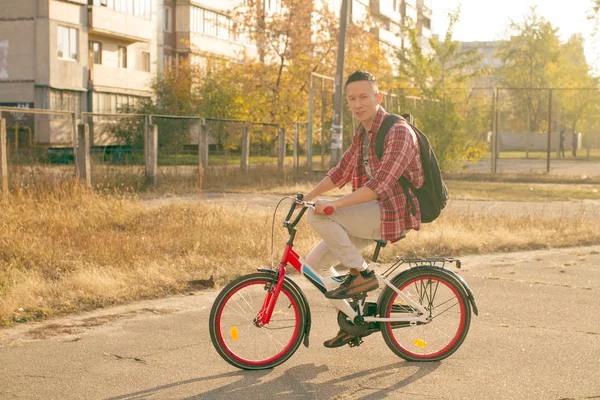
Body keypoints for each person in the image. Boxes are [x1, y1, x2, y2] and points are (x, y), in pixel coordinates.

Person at [302, 70, 424, 348]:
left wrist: (333, 206)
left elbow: (380, 185)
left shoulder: (399, 132)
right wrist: (306, 196)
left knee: (317, 215)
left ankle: (362, 274)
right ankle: (353, 320)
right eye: (352, 99)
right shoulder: (364, 132)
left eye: (364, 97)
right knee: (314, 266)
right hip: (373, 212)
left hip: (393, 213)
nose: (358, 104)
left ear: (378, 97)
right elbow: (341, 170)